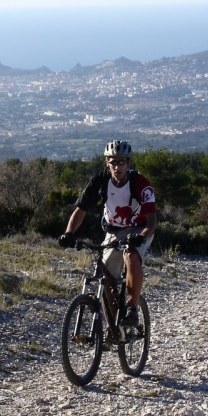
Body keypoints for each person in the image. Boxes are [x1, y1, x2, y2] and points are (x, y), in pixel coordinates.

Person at [59, 140, 157, 327]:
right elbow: (81, 210)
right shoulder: (100, 181)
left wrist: (141, 237)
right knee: (105, 277)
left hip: (140, 228)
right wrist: (69, 233)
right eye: (113, 162)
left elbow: (152, 221)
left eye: (121, 162)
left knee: (131, 255)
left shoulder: (140, 183)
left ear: (128, 163)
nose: (117, 166)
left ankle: (132, 309)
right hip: (114, 230)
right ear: (107, 163)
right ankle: (113, 327)